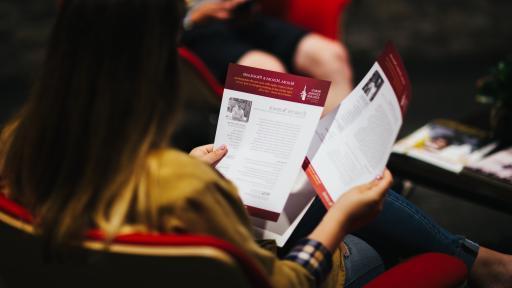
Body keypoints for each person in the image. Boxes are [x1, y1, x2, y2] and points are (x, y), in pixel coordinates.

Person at [0, 0, 511, 287]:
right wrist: (340, 221)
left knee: (307, 189)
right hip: (292, 274)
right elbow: (283, 283)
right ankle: (478, 262)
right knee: (350, 213)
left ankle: (478, 259)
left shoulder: (16, 142)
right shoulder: (183, 187)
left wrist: (190, 166)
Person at [182, 0, 353, 116]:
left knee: (331, 56)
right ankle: (297, 160)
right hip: (196, 27)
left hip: (246, 18)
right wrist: (192, 14)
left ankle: (333, 149)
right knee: (268, 74)